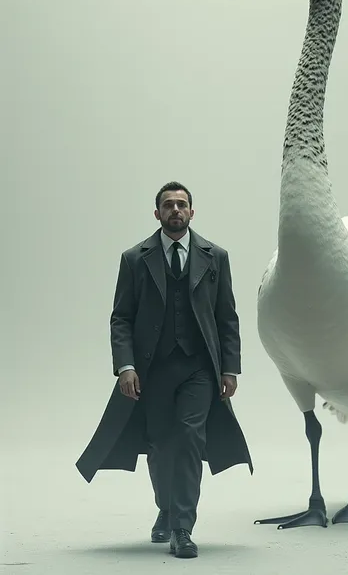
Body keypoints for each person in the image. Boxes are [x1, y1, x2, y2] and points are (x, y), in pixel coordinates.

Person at [75, 181, 253, 559]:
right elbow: (121, 318)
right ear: (157, 213)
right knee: (159, 445)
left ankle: (182, 529)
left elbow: (227, 317)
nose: (176, 210)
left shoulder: (215, 257)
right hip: (151, 368)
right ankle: (166, 506)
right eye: (168, 205)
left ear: (192, 211)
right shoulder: (135, 259)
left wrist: (230, 369)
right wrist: (125, 367)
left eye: (182, 204)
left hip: (199, 368)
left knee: (191, 439)